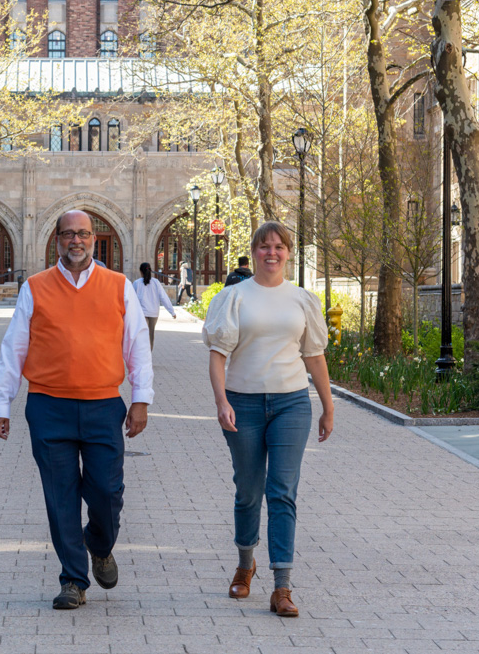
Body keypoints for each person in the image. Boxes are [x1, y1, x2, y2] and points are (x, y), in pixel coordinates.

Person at [0, 210, 153, 610]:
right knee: (60, 496)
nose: (75, 241)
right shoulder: (35, 287)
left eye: (82, 234)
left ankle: (100, 545)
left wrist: (141, 399)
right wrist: (2, 403)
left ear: (94, 240)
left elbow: (137, 344)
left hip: (103, 405)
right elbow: (14, 348)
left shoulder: (118, 286)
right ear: (57, 240)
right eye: (67, 234)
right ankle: (73, 580)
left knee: (106, 492)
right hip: (49, 406)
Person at [201, 221, 334, 618]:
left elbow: (314, 356)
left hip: (292, 404)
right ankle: (246, 563)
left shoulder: (302, 300)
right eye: (264, 246)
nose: (271, 253)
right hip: (243, 405)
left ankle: (282, 587)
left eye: (279, 246)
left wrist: (328, 405)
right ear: (254, 251)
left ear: (289, 252)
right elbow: (218, 354)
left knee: (282, 491)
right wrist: (221, 400)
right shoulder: (234, 297)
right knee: (248, 490)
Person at [132, 262, 176, 349]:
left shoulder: (136, 283)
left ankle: (141, 353)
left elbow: (132, 299)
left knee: (141, 334)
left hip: (142, 313)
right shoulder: (156, 283)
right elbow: (163, 297)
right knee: (150, 335)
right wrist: (172, 312)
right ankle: (148, 354)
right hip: (153, 313)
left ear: (141, 271)